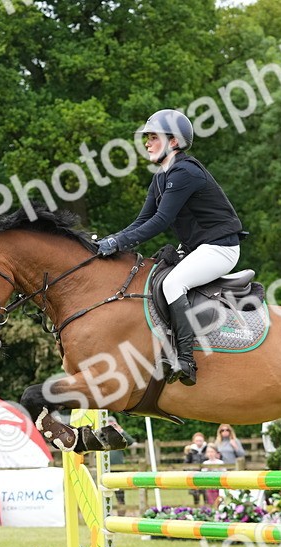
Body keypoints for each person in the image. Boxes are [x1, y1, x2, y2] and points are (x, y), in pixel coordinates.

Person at [96, 109, 245, 386]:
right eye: (147, 138)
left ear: (173, 142)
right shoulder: (161, 178)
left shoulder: (185, 172)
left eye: (154, 137)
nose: (147, 143)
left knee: (172, 284)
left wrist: (117, 243)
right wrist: (110, 240)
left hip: (220, 248)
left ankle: (186, 360)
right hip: (199, 248)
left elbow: (161, 221)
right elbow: (142, 220)